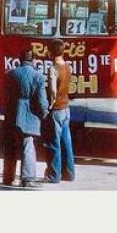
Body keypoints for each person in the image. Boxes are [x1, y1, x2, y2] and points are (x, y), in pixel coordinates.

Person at [1, 49, 49, 188]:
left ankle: (8, 177)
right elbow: (41, 100)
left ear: (20, 59)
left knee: (10, 147)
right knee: (27, 145)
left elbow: (5, 95)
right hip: (28, 115)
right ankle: (27, 179)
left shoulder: (10, 74)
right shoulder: (38, 76)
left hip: (11, 114)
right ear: (33, 60)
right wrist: (44, 112)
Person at [43, 39, 75, 183]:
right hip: (66, 107)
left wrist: (49, 105)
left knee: (54, 143)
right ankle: (69, 173)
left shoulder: (53, 68)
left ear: (50, 52)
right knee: (66, 141)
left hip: (56, 109)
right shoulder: (68, 67)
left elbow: (53, 92)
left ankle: (54, 175)